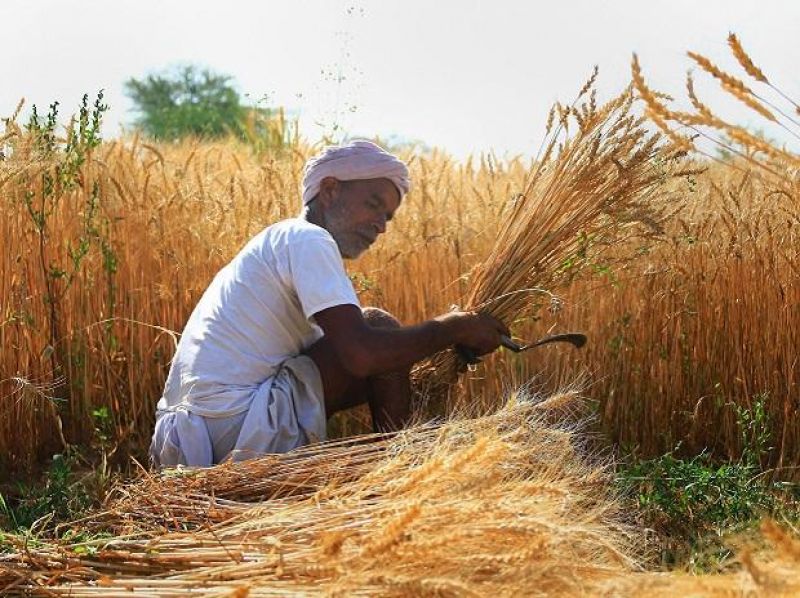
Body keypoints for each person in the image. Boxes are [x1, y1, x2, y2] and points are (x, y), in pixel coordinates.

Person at [150, 140, 508, 467]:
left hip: (180, 442)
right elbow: (362, 354)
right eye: (373, 204)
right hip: (235, 427)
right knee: (377, 327)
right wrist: (457, 326)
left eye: (387, 217)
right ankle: (397, 477)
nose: (381, 226)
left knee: (373, 338)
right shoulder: (309, 238)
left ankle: (393, 472)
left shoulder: (280, 240)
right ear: (330, 190)